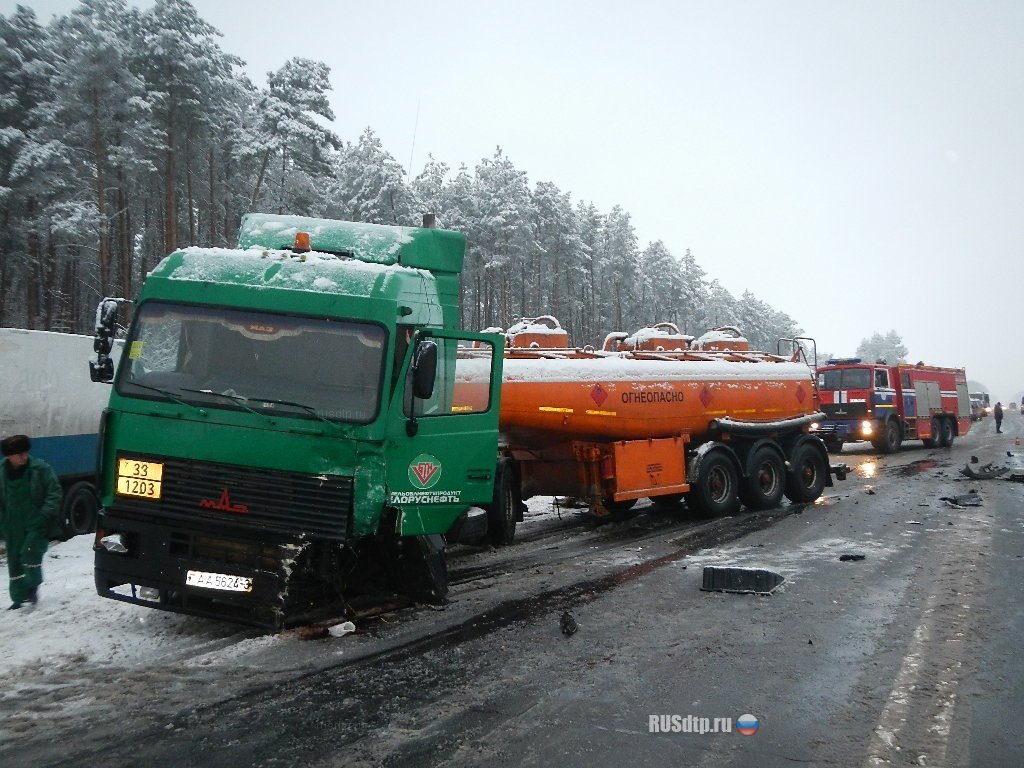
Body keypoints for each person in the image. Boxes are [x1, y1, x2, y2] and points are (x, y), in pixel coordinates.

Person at [0, 435, 62, 610]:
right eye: (20, 454)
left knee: (30, 554)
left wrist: (44, 515)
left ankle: (32, 587)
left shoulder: (40, 469)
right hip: (12, 524)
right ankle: (18, 598)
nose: (24, 457)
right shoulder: (1, 472)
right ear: (9, 456)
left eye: (25, 453)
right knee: (14, 560)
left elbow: (54, 492)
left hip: (35, 521)